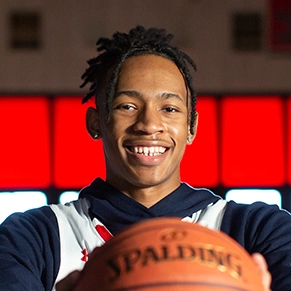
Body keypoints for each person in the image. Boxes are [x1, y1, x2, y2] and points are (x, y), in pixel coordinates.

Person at [0, 26, 289, 291]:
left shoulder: (259, 231)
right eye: (127, 106)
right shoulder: (32, 237)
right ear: (96, 123)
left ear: (192, 127)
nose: (149, 124)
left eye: (170, 109)